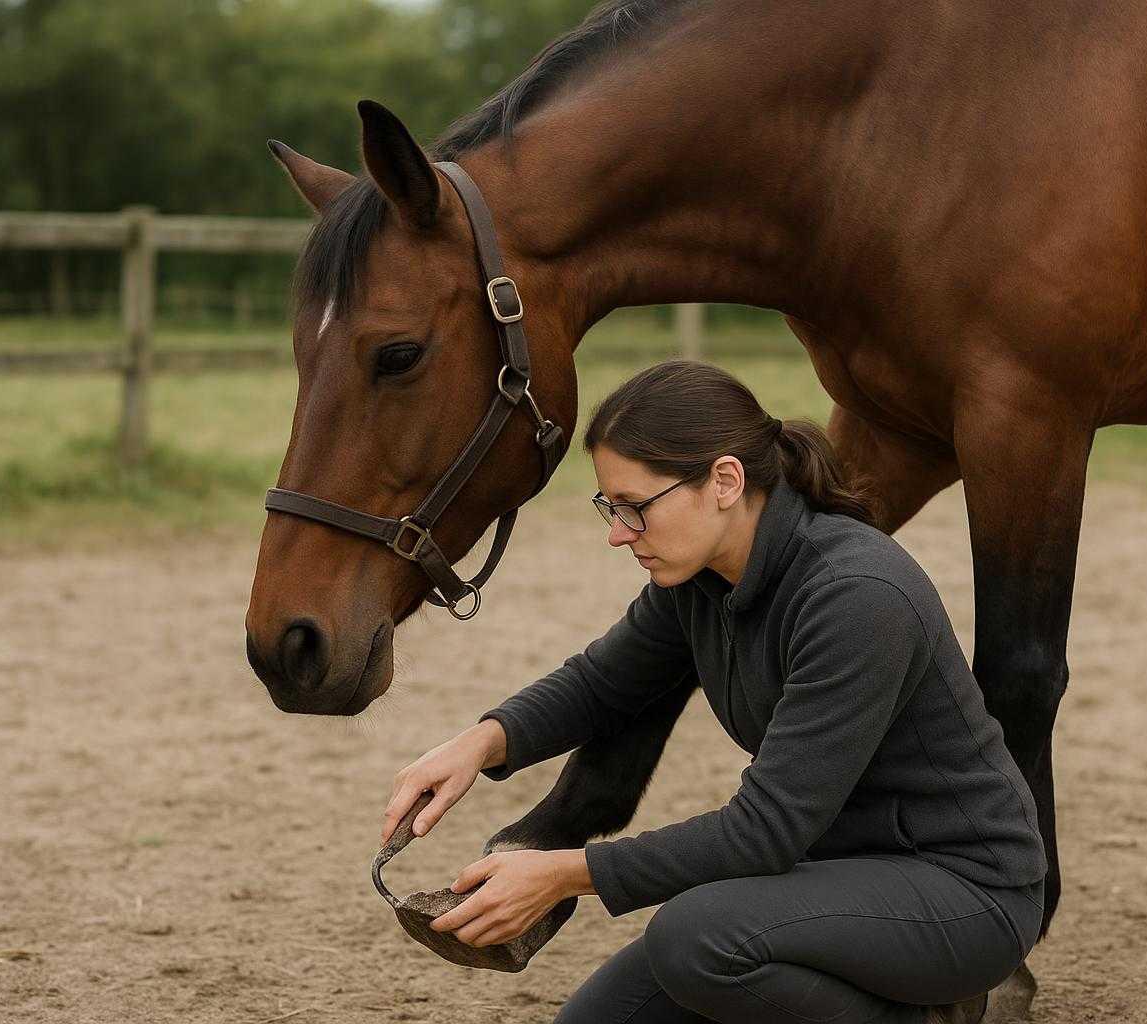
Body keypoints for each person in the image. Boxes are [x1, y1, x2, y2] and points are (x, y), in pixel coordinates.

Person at [380, 359, 1048, 1024]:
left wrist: (559, 873)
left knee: (696, 939)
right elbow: (601, 683)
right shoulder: (700, 580)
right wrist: (478, 745)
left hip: (961, 894)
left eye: (635, 508)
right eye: (609, 507)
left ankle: (936, 1014)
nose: (618, 533)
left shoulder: (857, 596)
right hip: (831, 875)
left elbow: (765, 832)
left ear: (724, 481)